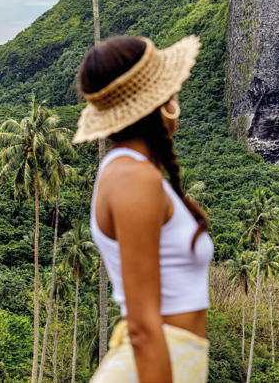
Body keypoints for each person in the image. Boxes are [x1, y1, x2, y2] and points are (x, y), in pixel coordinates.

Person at [72, 34, 213, 383]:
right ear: (162, 100)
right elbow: (143, 327)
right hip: (153, 365)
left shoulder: (128, 170)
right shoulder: (134, 178)